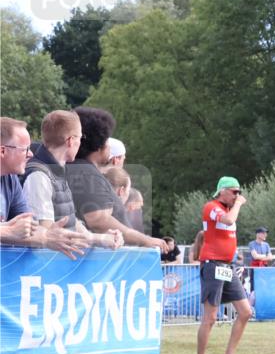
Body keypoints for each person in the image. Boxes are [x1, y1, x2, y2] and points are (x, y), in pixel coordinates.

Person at [66, 107, 167, 252]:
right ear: (100, 145)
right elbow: (99, 220)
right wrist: (144, 240)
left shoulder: (81, 171)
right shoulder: (86, 173)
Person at [22, 110, 122, 250]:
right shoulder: (39, 176)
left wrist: (99, 238)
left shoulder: (55, 170)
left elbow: (68, 220)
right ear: (70, 141)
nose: (80, 143)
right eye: (80, 138)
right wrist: (98, 238)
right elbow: (48, 234)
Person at [1, 116, 90, 258]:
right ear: (3, 151)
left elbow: (29, 227)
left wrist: (47, 236)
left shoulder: (10, 178)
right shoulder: (38, 174)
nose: (30, 154)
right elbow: (17, 231)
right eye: (24, 149)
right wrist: (8, 231)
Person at [194, 176, 253, 354]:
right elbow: (228, 220)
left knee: (245, 312)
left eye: (239, 192)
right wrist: (237, 204)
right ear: (222, 191)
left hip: (227, 267)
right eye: (234, 192)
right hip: (212, 265)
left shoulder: (229, 209)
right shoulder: (211, 206)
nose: (238, 195)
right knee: (210, 318)